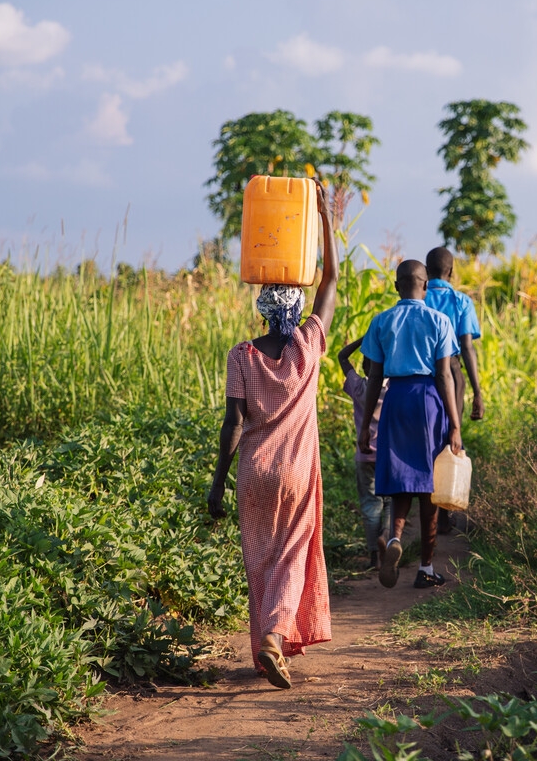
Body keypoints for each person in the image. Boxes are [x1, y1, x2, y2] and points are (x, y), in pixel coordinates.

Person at [207, 182, 338, 691]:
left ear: (262, 306)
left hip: (255, 473)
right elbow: (331, 277)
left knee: (260, 559)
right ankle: (275, 635)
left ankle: (266, 639)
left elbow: (232, 424)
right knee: (293, 552)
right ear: (296, 305)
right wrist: (325, 217)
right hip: (297, 473)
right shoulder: (308, 345)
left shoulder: (242, 354)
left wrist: (217, 484)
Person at [358, 259, 462, 590]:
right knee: (428, 484)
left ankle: (394, 539)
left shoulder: (381, 321)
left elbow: (374, 376)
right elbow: (445, 374)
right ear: (426, 285)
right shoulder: (439, 320)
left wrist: (364, 426)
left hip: (395, 399)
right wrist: (455, 425)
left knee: (402, 479)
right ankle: (426, 568)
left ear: (396, 287)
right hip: (428, 400)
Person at [424, 246, 485, 533]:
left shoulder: (418, 296)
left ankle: (425, 502)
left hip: (421, 375)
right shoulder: (460, 301)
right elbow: (468, 346)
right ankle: (444, 510)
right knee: (451, 434)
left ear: (426, 273)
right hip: (453, 372)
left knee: (426, 437)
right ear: (451, 272)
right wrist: (477, 391)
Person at [337, 336, 389, 570]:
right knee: (390, 502)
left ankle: (373, 557)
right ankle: (387, 538)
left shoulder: (359, 386)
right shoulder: (393, 389)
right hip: (390, 456)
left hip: (365, 455)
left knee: (370, 504)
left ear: (365, 367)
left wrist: (364, 339)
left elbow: (342, 357)